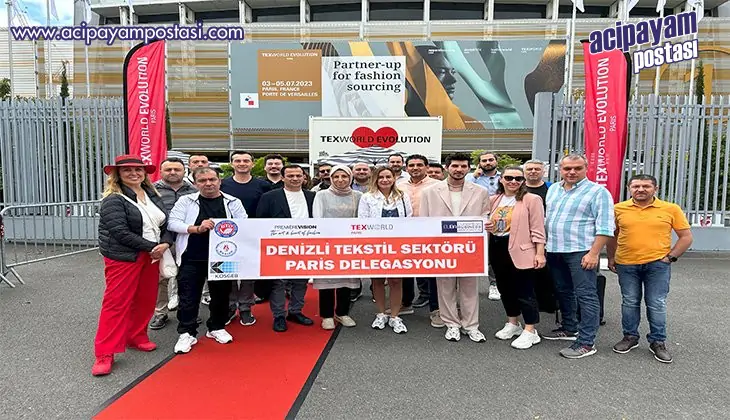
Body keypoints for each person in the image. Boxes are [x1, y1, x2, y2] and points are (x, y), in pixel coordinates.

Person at [93, 154, 174, 376]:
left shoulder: (152, 194)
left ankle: (136, 336)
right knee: (116, 304)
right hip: (124, 257)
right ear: (117, 174)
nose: (134, 173)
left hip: (151, 255)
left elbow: (165, 224)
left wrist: (165, 243)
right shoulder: (113, 199)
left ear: (144, 173)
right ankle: (105, 353)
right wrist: (152, 247)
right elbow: (119, 232)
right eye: (127, 170)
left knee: (145, 299)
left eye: (138, 170)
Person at [607, 174, 693, 363]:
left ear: (656, 189)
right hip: (627, 263)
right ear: (629, 189)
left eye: (646, 186)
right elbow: (612, 235)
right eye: (636, 186)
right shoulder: (618, 209)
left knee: (656, 303)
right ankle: (630, 337)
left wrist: (670, 257)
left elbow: (686, 237)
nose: (640, 189)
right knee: (630, 301)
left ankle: (658, 341)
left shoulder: (670, 209)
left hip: (657, 265)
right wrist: (611, 257)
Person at [168, 168, 248, 354]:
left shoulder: (233, 202)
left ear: (220, 181)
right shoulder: (186, 201)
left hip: (223, 257)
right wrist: (196, 228)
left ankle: (216, 327)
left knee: (221, 295)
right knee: (188, 297)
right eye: (202, 180)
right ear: (195, 183)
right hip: (192, 256)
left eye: (212, 179)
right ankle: (187, 332)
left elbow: (244, 223)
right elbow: (173, 223)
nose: (208, 183)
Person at [543, 154, 614, 359]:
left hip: (581, 251)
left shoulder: (598, 192)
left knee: (586, 295)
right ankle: (569, 328)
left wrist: (594, 253)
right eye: (567, 168)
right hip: (555, 249)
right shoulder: (554, 189)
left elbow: (606, 226)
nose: (572, 172)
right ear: (560, 169)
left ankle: (586, 342)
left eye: (577, 168)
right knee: (563, 291)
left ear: (586, 168)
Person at [420, 152, 489, 343]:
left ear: (469, 168)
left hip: (470, 248)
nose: (459, 170)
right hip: (441, 248)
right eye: (455, 166)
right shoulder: (430, 192)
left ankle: (471, 325)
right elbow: (424, 221)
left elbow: (485, 217)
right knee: (445, 288)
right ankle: (451, 324)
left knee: (470, 288)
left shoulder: (480, 191)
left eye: (463, 166)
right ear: (446, 167)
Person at [486, 166, 546, 350]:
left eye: (518, 179)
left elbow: (538, 228)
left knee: (525, 290)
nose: (513, 181)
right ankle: (513, 322)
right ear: (501, 179)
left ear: (523, 181)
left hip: (522, 250)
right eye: (509, 178)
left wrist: (540, 253)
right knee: (505, 289)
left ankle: (530, 330)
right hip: (497, 247)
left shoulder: (532, 199)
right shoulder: (494, 199)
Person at [256, 164, 316, 332]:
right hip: (278, 247)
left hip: (306, 246)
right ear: (282, 177)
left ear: (304, 177)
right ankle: (279, 315)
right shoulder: (269, 197)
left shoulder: (313, 196)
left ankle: (295, 311)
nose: (295, 179)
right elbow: (260, 221)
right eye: (290, 176)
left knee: (301, 281)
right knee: (279, 283)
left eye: (298, 175)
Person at [358, 166, 413, 334]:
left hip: (398, 245)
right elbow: (362, 221)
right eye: (381, 177)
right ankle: (381, 313)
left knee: (396, 280)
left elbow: (409, 219)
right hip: (375, 245)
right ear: (375, 179)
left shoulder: (402, 196)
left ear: (394, 178)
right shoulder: (367, 197)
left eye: (388, 176)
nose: (385, 180)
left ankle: (395, 315)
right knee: (377, 280)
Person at [221, 151, 271, 327]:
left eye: (245, 160)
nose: (242, 163)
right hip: (227, 235)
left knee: (249, 274)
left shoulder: (263, 185)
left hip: (254, 234)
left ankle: (245, 307)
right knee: (228, 273)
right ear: (232, 164)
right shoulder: (222, 184)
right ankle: (230, 306)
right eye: (238, 160)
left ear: (252, 163)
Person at [149, 158, 197, 330]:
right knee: (160, 278)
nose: (173, 172)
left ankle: (186, 311)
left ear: (184, 171)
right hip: (161, 240)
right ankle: (160, 313)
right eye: (168, 169)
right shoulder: (151, 190)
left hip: (188, 238)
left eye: (177, 169)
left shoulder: (194, 190)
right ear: (161, 171)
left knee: (186, 277)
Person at [312, 165, 362, 329]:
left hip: (350, 244)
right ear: (331, 179)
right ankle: (326, 315)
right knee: (327, 279)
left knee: (346, 280)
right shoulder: (322, 195)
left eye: (344, 176)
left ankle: (342, 313)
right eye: (336, 177)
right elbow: (318, 217)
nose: (340, 180)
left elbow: (361, 218)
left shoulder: (358, 196)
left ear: (350, 178)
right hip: (328, 243)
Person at [398, 154, 442, 327]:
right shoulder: (399, 186)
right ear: (406, 168)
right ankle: (405, 303)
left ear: (426, 167)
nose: (415, 168)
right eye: (411, 165)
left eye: (419, 165)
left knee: (432, 272)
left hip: (430, 233)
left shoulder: (438, 185)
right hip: (404, 233)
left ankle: (436, 309)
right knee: (405, 270)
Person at [465, 152, 501, 301]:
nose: (487, 163)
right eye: (484, 160)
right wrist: (475, 176)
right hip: (477, 219)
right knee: (474, 252)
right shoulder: (472, 178)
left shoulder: (503, 177)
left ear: (496, 161)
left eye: (490, 160)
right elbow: (464, 189)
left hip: (499, 218)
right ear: (479, 163)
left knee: (494, 252)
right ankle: (467, 286)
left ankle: (494, 284)